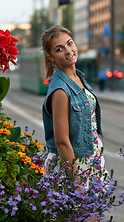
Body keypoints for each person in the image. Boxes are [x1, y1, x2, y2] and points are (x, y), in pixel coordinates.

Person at [41, 25, 108, 221]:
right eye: (59, 49)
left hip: (91, 160)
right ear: (51, 57)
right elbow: (62, 141)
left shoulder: (77, 77)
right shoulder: (61, 90)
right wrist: (77, 183)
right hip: (76, 165)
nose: (68, 50)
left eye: (69, 43)